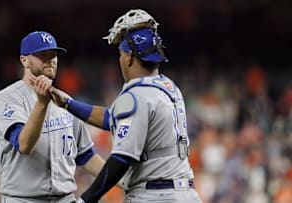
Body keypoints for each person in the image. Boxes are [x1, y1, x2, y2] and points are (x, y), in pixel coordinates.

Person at [49, 9, 202, 202]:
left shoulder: (136, 96)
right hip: (184, 193)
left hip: (154, 195)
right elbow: (113, 118)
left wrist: (85, 199)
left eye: (121, 53)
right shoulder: (169, 87)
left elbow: (121, 159)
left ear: (129, 57)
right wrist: (69, 104)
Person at [0, 31, 106, 203]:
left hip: (65, 198)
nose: (50, 60)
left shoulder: (66, 101)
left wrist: (123, 181)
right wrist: (42, 104)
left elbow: (86, 156)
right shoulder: (7, 98)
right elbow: (24, 144)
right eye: (42, 55)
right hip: (23, 199)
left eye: (53, 55)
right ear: (24, 60)